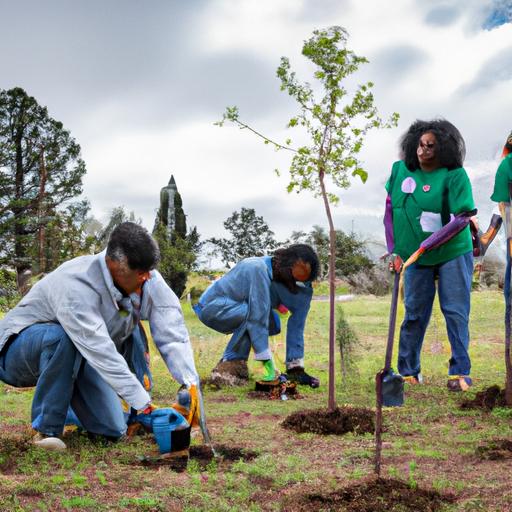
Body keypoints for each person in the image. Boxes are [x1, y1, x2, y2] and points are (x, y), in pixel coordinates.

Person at [0, 222, 200, 450]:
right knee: (61, 337)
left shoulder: (144, 274)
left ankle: (117, 416)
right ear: (116, 264)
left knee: (113, 428)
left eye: (149, 273)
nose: (148, 279)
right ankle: (47, 430)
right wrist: (147, 406)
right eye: (142, 274)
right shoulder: (75, 284)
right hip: (17, 353)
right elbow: (101, 352)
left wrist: (189, 381)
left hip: (77, 355)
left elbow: (169, 321)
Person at [385, 119, 475, 391]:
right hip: (413, 256)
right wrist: (395, 251)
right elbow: (391, 212)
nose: (424, 151)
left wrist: (428, 245)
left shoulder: (454, 175)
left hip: (452, 252)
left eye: (431, 146)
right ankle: (408, 371)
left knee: (455, 312)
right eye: (421, 145)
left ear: (443, 148)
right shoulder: (400, 170)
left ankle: (460, 372)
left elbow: (462, 218)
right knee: (414, 313)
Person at [193, 244, 320, 387]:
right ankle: (230, 365)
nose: (292, 283)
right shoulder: (257, 269)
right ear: (284, 262)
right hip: (212, 307)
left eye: (298, 281)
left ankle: (238, 365)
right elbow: (257, 318)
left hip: (240, 308)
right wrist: (268, 368)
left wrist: (296, 368)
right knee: (255, 315)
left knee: (273, 323)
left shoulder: (292, 282)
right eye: (291, 276)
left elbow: (297, 324)